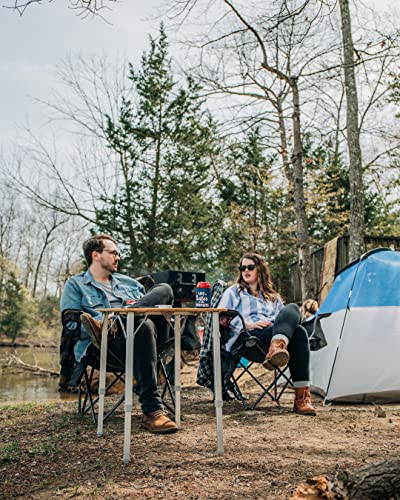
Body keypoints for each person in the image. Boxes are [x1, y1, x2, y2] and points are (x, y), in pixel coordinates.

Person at [60, 234, 178, 434]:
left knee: (163, 290)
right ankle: (152, 412)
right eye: (113, 252)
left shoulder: (130, 283)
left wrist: (125, 317)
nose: (118, 256)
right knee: (143, 325)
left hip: (143, 341)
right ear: (96, 255)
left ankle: (117, 321)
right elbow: (71, 326)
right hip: (106, 346)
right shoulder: (76, 285)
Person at [218, 252, 316, 416]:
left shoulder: (274, 298)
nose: (245, 271)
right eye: (243, 268)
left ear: (260, 270)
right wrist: (247, 325)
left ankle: (301, 397)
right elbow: (222, 317)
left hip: (273, 337)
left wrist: (277, 331)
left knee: (295, 320)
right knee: (298, 330)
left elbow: (285, 320)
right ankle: (300, 396)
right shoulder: (234, 292)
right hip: (250, 339)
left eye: (250, 267)